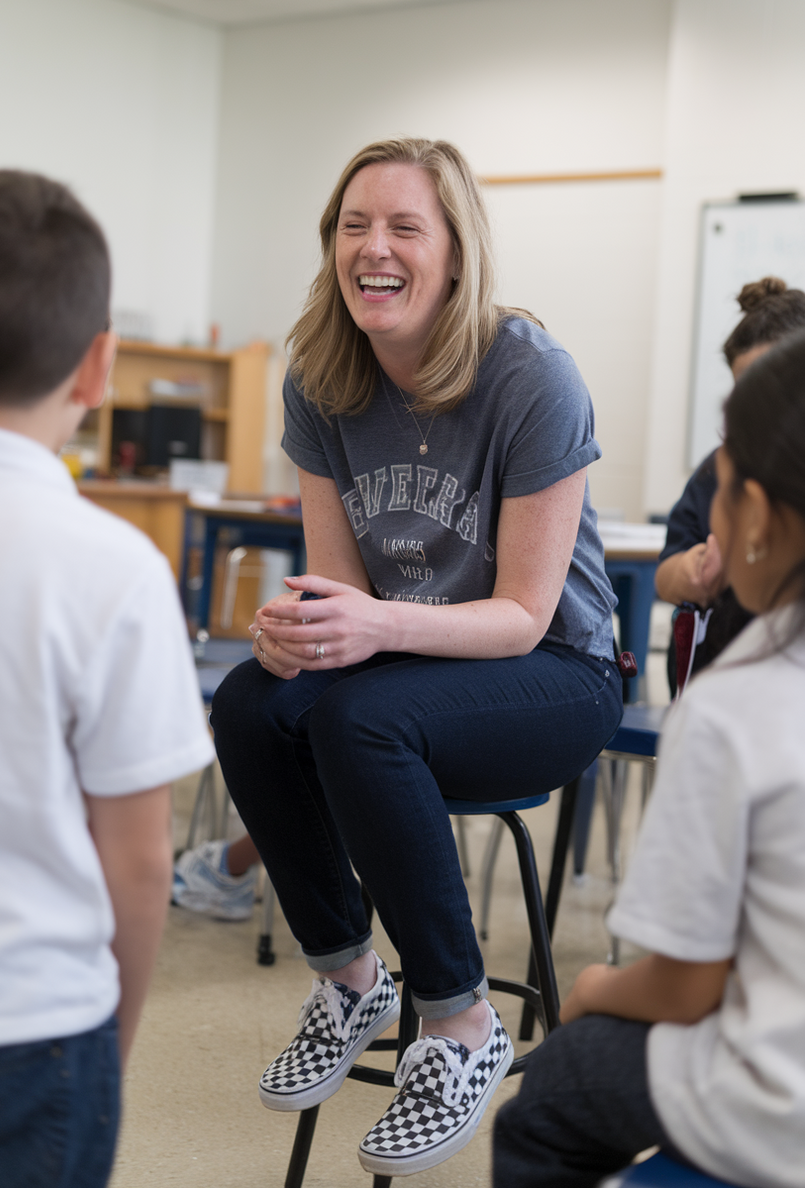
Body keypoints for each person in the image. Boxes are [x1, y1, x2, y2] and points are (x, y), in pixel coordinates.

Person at [210, 137, 623, 1177]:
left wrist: (371, 632)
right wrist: (298, 630)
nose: (373, 250)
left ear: (453, 252)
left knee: (360, 718)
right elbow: (341, 589)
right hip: (411, 674)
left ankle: (459, 1024)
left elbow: (524, 617)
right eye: (354, 227)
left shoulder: (531, 376)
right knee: (252, 703)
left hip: (552, 679)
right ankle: (351, 980)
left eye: (403, 228)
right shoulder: (321, 375)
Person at [493, 328, 805, 1187]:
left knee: (554, 1089)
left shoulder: (737, 705)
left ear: (757, 517)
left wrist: (592, 987)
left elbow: (683, 990)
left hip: (779, 1110)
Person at [0, 170, 215, 1188]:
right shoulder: (115, 569)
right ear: (99, 366)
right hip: (36, 1030)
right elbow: (138, 859)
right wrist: (111, 1044)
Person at [656, 277, 805, 691]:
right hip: (714, 685)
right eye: (746, 391)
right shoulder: (716, 473)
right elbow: (667, 571)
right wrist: (692, 573)